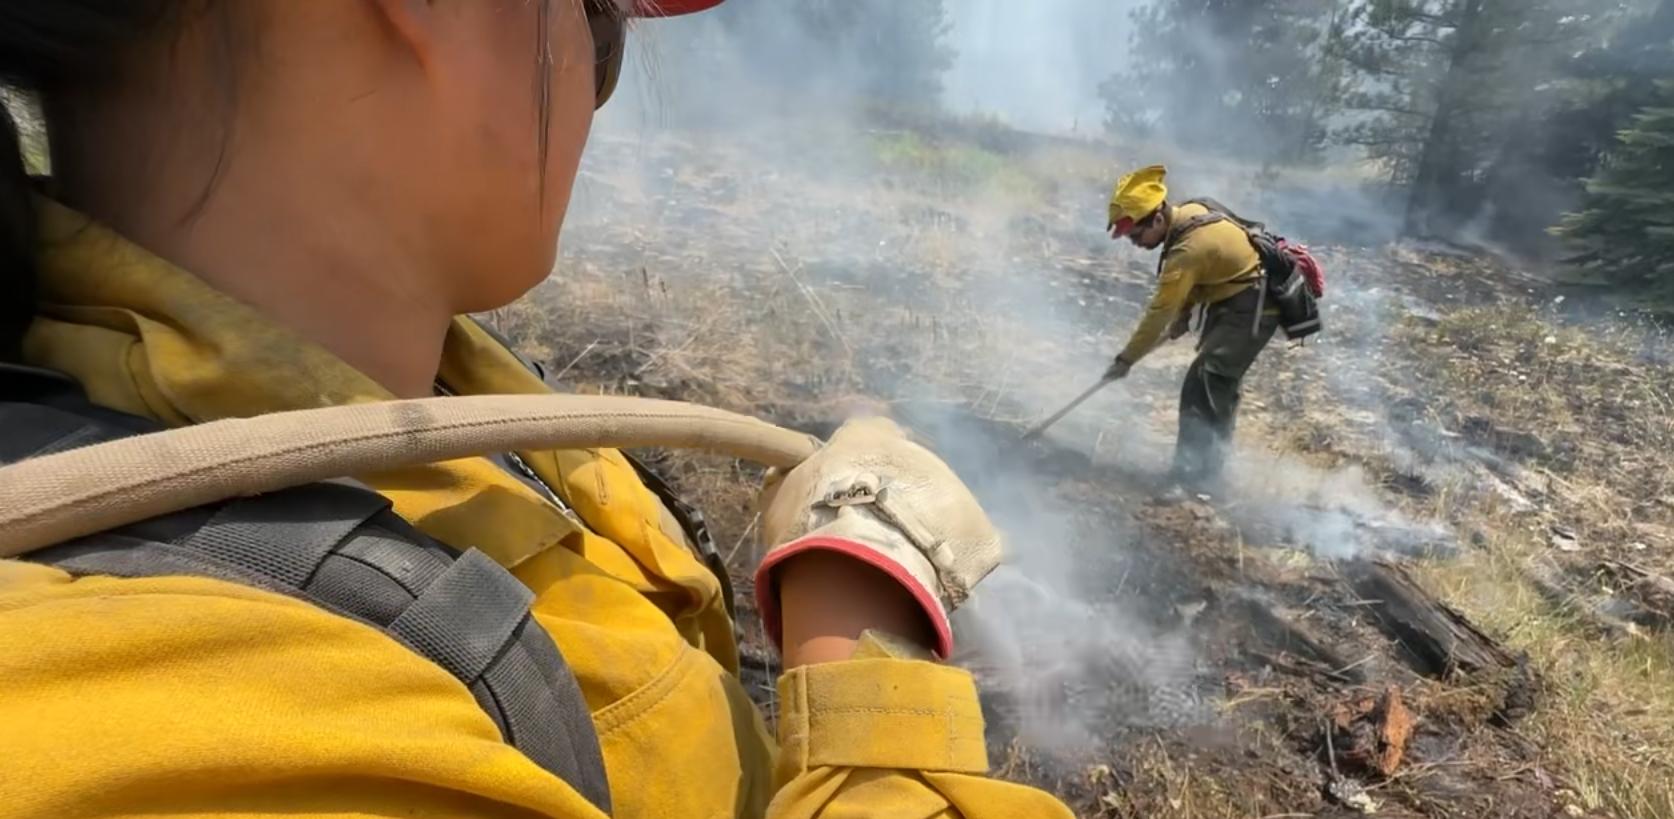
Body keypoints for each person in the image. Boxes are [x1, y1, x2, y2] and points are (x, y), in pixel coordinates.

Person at [0, 2, 1075, 817]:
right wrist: (862, 639)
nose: (593, 91)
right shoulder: (196, 738)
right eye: (597, 20)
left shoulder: (435, 390)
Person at [1102, 165, 1278, 491]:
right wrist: (1183, 315)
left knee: (1207, 383)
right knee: (1214, 385)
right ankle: (1206, 474)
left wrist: (1125, 360)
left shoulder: (1186, 250)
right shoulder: (1190, 213)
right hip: (1232, 298)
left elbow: (1158, 314)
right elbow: (1198, 279)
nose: (1135, 244)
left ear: (1157, 218)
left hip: (1253, 306)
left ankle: (1193, 480)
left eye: (1137, 236)